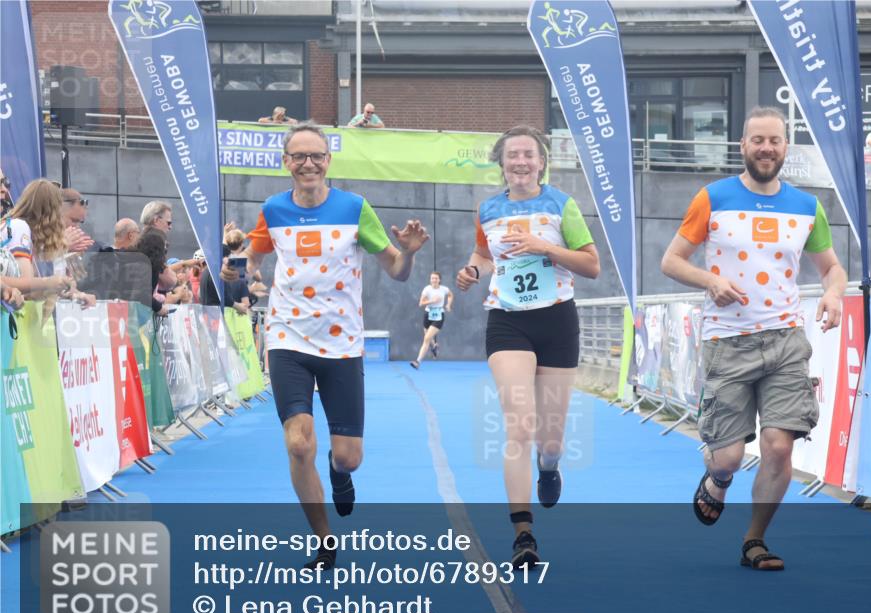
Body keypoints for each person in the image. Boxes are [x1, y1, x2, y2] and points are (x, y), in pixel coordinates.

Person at [223, 120, 428, 570]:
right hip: (287, 338)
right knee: (298, 445)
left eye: (316, 155)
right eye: (299, 156)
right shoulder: (273, 210)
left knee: (348, 457)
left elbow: (396, 270)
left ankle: (339, 475)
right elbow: (248, 261)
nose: (308, 163)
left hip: (341, 343)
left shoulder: (354, 207)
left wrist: (408, 251)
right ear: (286, 163)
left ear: (328, 161)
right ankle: (324, 540)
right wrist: (234, 269)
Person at [660, 106, 846, 571]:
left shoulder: (807, 206)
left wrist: (834, 294)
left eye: (775, 141)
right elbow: (672, 260)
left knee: (780, 446)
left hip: (785, 340)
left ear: (786, 148)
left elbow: (832, 267)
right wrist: (710, 282)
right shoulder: (713, 197)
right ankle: (717, 480)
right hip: (728, 341)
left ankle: (754, 540)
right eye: (758, 140)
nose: (766, 148)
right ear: (743, 145)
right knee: (726, 456)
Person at [454, 125, 600, 569]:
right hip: (508, 322)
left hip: (556, 320)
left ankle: (549, 466)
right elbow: (483, 255)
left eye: (528, 155)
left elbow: (591, 265)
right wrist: (471, 272)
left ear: (541, 163)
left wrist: (542, 246)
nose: (520, 162)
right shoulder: (489, 209)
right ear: (502, 163)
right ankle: (523, 533)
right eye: (512, 155)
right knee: (519, 425)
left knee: (550, 439)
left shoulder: (562, 205)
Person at [0, 179, 94, 307]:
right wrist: (52, 282)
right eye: (73, 220)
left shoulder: (24, 231)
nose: (76, 227)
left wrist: (67, 289)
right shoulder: (19, 227)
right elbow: (27, 288)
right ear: (50, 212)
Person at [410, 271, 453, 369]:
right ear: (430, 279)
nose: (434, 280)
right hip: (428, 314)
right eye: (432, 278)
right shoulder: (427, 289)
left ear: (439, 280)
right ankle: (434, 346)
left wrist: (448, 304)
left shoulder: (444, 289)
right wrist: (432, 301)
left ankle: (417, 362)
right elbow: (421, 303)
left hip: (439, 315)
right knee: (428, 337)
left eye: (436, 278)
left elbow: (450, 295)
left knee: (426, 338)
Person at [60, 187, 95, 254]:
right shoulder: (38, 239)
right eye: (74, 221)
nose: (77, 227)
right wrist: (62, 249)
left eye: (80, 222)